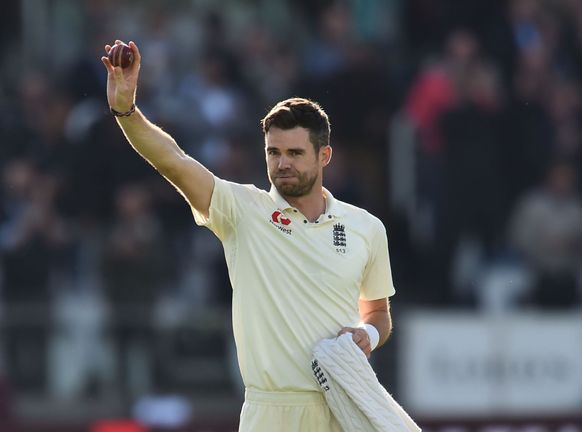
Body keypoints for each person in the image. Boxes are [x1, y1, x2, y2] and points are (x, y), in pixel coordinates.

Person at [101, 40, 395, 431]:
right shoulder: (243, 210)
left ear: (324, 156)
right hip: (269, 412)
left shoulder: (366, 227)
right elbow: (174, 160)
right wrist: (127, 111)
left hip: (342, 406)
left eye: (294, 153)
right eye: (274, 152)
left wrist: (368, 335)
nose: (282, 163)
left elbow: (379, 314)